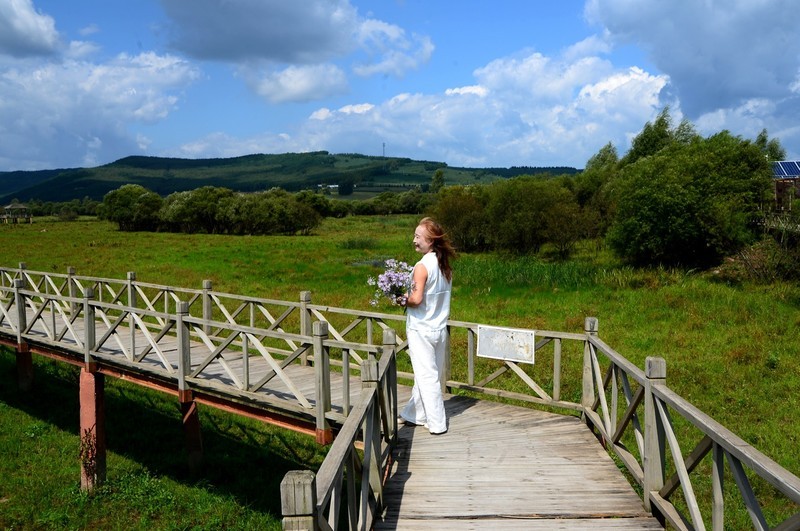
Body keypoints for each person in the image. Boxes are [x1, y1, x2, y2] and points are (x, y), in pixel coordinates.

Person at [399, 217, 456, 435]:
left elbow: (416, 299)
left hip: (421, 329)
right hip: (439, 328)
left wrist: (400, 298)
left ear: (430, 241)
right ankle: (415, 414)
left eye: (418, 237)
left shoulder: (422, 267)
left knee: (426, 376)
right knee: (430, 373)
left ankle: (437, 423)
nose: (413, 240)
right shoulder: (444, 266)